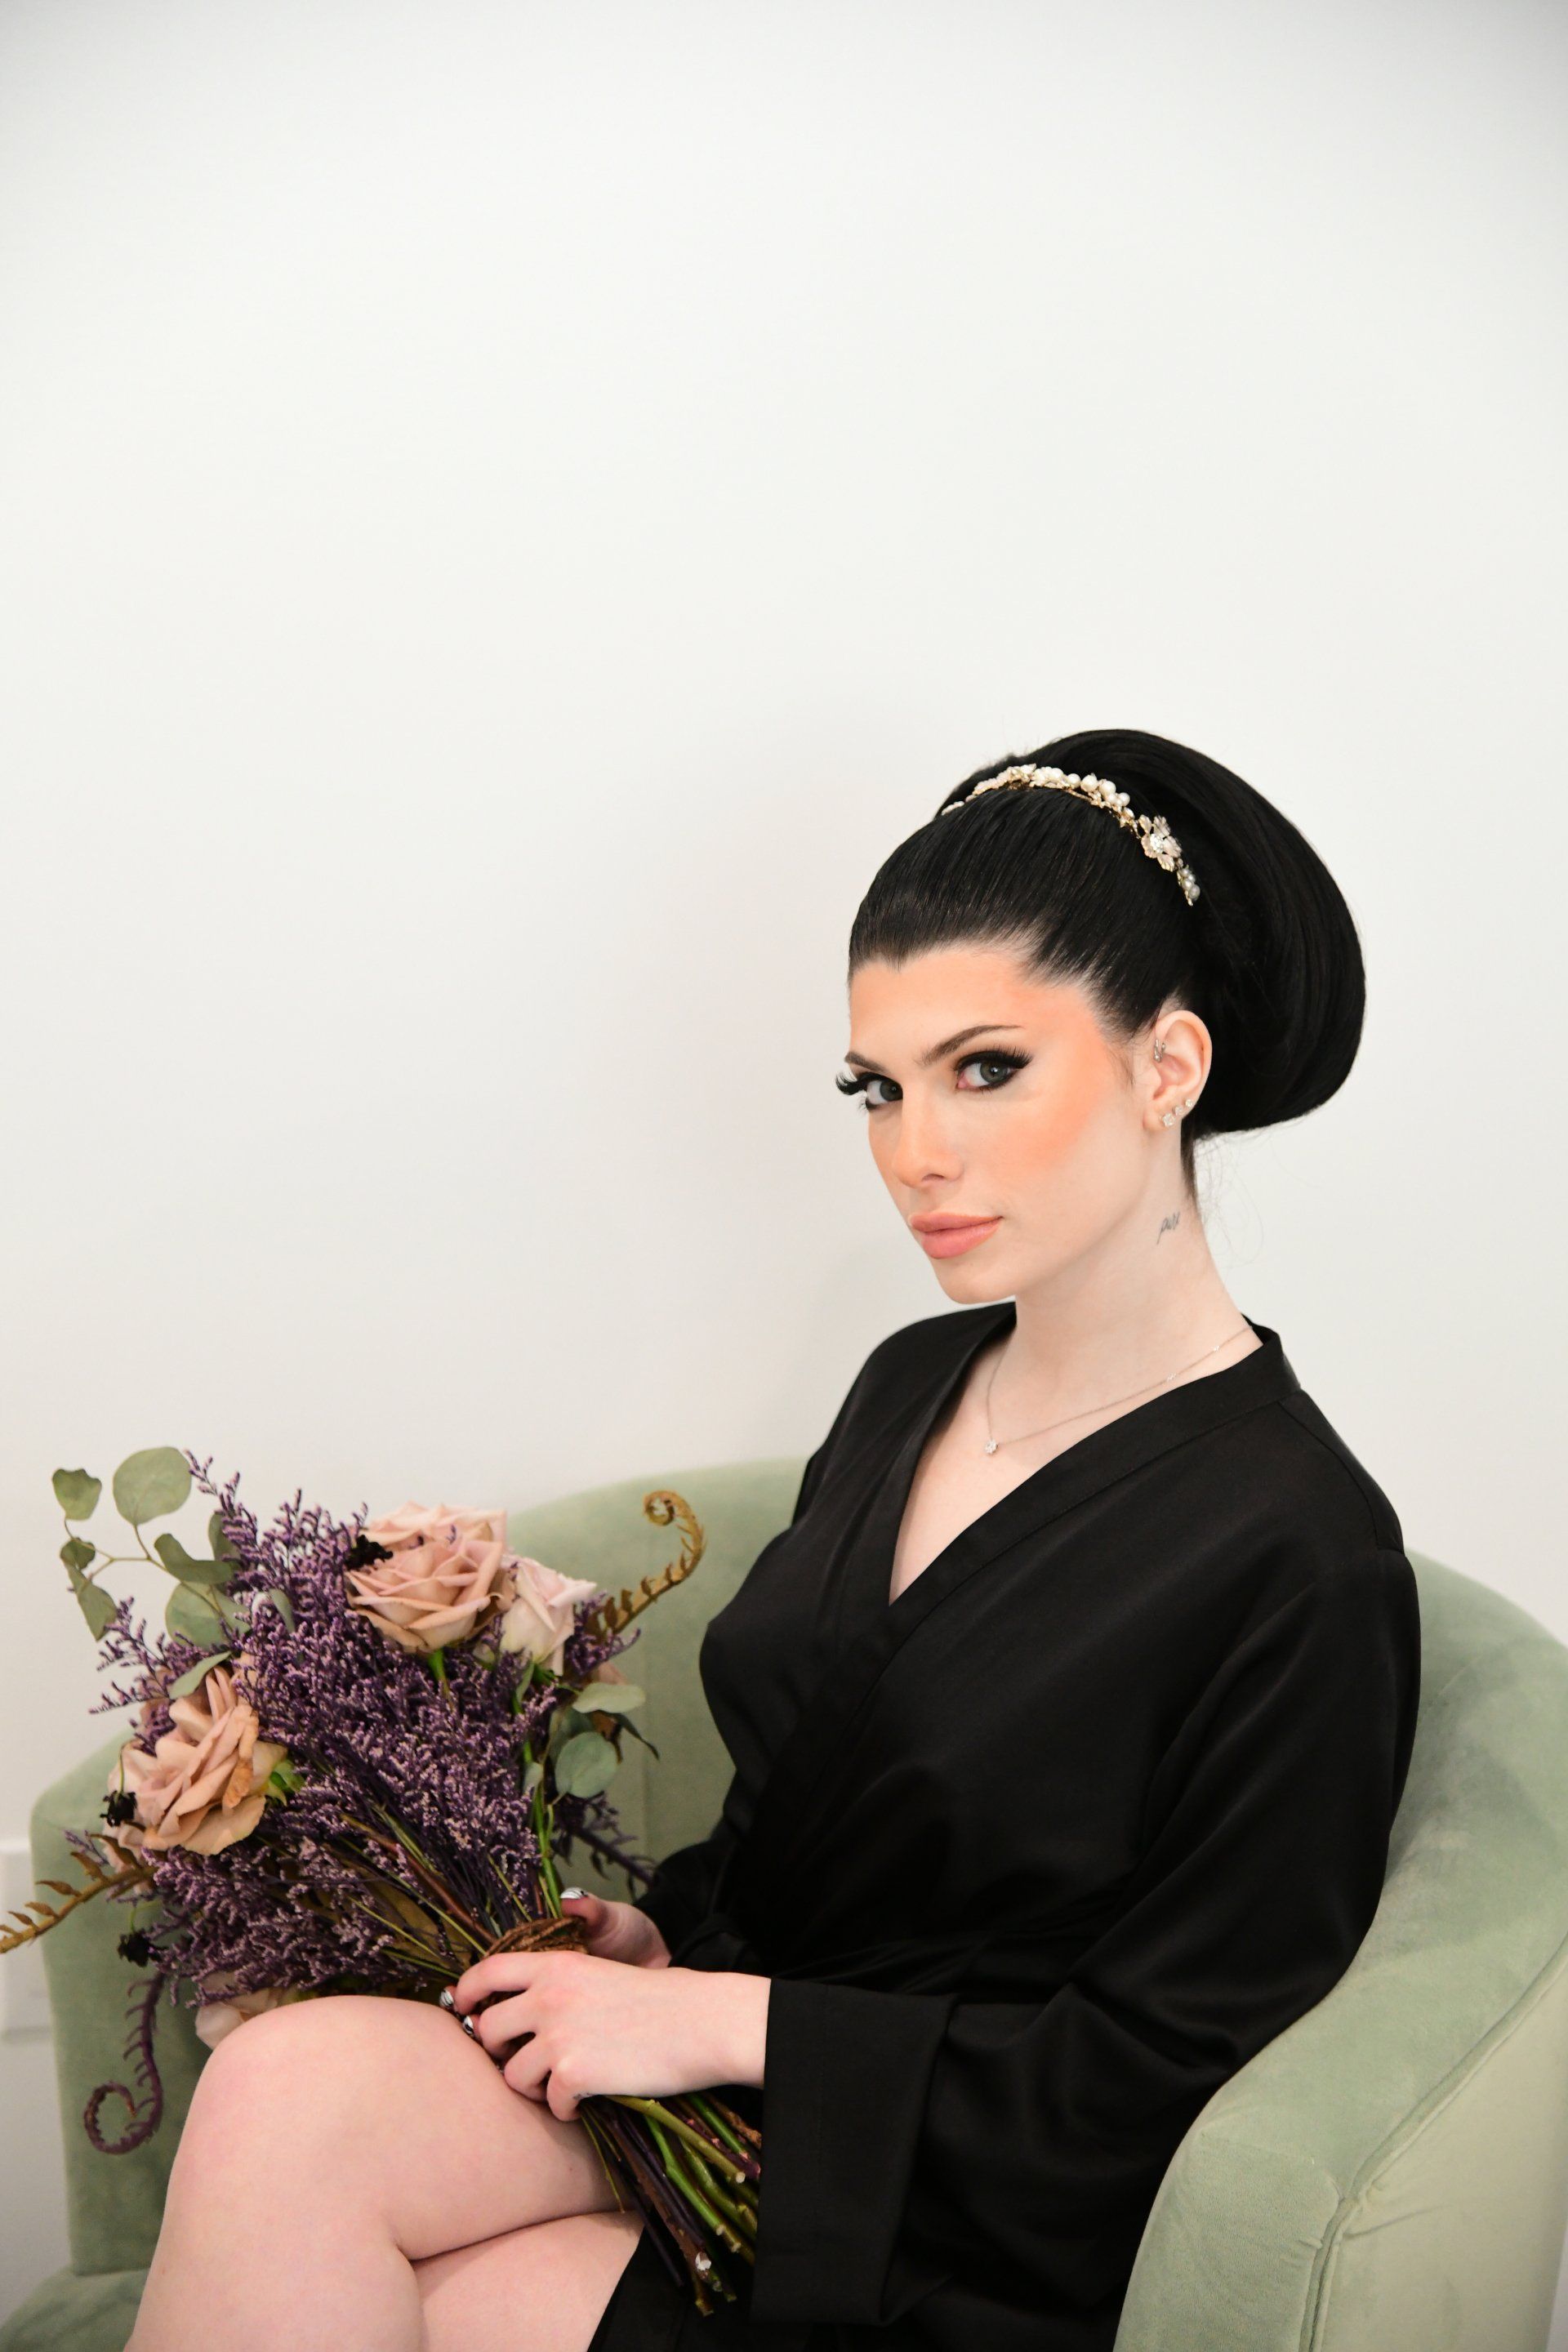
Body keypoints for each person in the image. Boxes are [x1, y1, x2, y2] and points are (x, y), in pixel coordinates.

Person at [127, 727, 1422, 2352]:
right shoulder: (913, 1384)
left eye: (988, 1070)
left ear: (1169, 1065)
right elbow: (812, 1813)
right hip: (739, 2090)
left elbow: (1166, 2081)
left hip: (963, 2215)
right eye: (879, 1090)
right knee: (278, 2086)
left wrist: (721, 2023)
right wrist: (659, 1938)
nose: (914, 1155)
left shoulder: (1302, 1551)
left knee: (463, 2303)